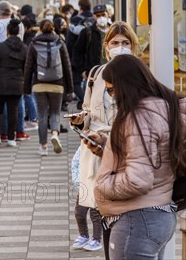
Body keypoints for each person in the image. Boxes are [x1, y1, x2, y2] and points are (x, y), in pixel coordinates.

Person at [83, 55, 186, 260]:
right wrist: (107, 147)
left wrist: (102, 184)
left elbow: (138, 180)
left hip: (136, 219)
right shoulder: (162, 108)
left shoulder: (140, 117)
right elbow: (151, 159)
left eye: (112, 90)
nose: (112, 96)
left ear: (126, 85)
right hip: (157, 215)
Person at [67, 21, 141, 258]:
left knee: (118, 211)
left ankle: (109, 244)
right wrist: (81, 119)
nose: (120, 47)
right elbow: (88, 108)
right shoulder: (96, 74)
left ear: (133, 46)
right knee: (91, 202)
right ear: (106, 47)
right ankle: (97, 241)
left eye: (125, 43)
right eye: (115, 43)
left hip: (124, 147)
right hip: (93, 146)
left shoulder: (139, 74)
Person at [24, 19, 72, 155]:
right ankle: (55, 133)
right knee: (55, 113)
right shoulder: (60, 42)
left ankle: (43, 146)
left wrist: (26, 88)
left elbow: (28, 67)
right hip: (57, 84)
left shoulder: (34, 44)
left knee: (42, 115)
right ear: (53, 29)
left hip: (39, 84)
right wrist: (70, 89)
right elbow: (67, 66)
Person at [0, 19, 27, 148]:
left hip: (0, 82)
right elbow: (26, 67)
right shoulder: (25, 48)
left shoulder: (0, 46)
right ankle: (11, 139)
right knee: (13, 110)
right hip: (17, 82)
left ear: (7, 32)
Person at [72, 4, 110, 108]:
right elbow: (77, 51)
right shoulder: (87, 32)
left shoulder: (113, 31)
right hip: (94, 72)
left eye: (103, 14)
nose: (101, 17)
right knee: (95, 101)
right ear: (94, 17)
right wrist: (82, 70)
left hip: (111, 71)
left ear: (108, 14)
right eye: (98, 15)